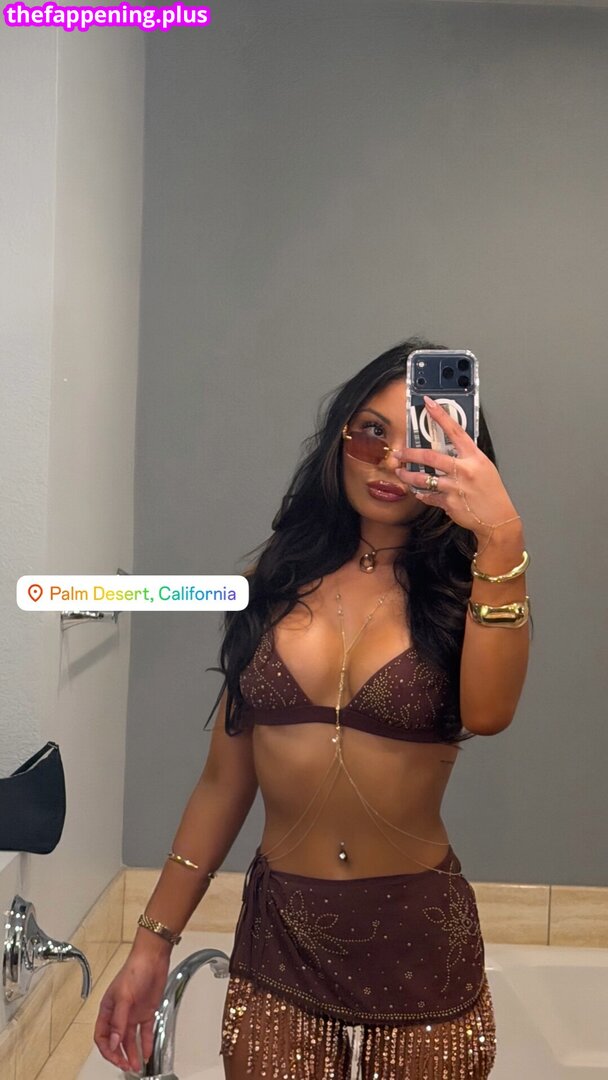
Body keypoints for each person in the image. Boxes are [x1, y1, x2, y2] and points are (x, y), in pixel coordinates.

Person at [94, 337, 530, 1078]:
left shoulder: (474, 589)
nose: (389, 463)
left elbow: (489, 713)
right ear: (338, 439)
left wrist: (501, 537)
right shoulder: (273, 580)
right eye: (370, 434)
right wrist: (150, 943)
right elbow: (223, 783)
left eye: (418, 443)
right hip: (281, 942)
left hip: (420, 939)